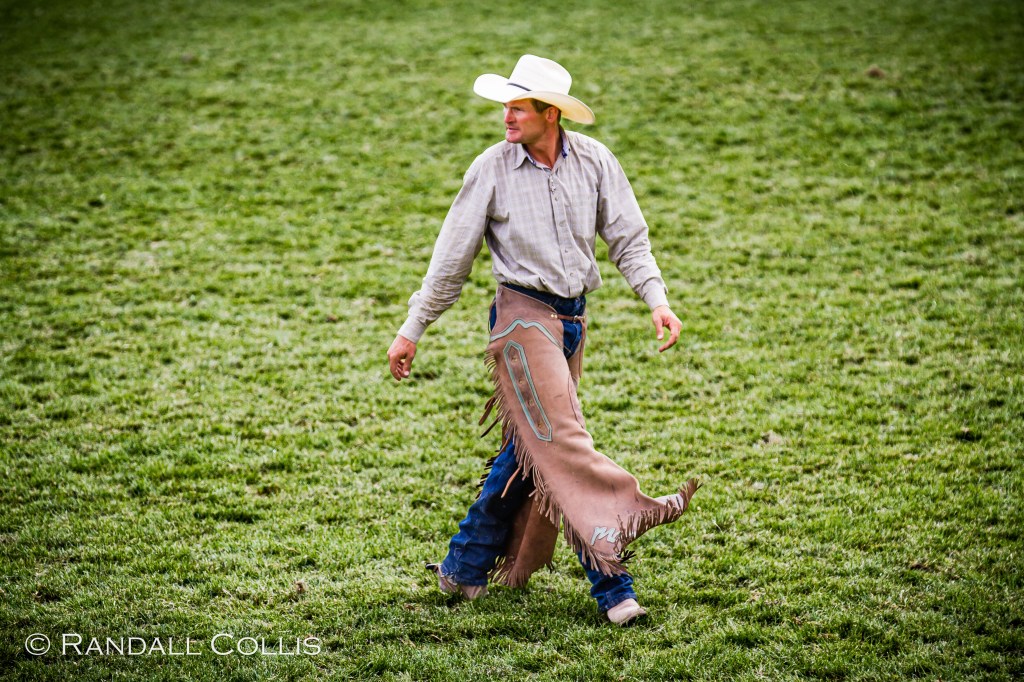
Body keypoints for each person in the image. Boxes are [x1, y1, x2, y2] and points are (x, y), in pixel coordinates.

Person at [387, 55, 698, 626]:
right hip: (520, 320)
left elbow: (628, 238)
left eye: (517, 107)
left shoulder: (597, 161)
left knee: (532, 449)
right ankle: (613, 584)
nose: (506, 116)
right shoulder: (491, 169)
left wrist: (657, 301)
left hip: (572, 323)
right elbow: (451, 260)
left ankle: (464, 565)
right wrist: (413, 328)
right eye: (505, 105)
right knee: (562, 444)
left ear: (550, 114)